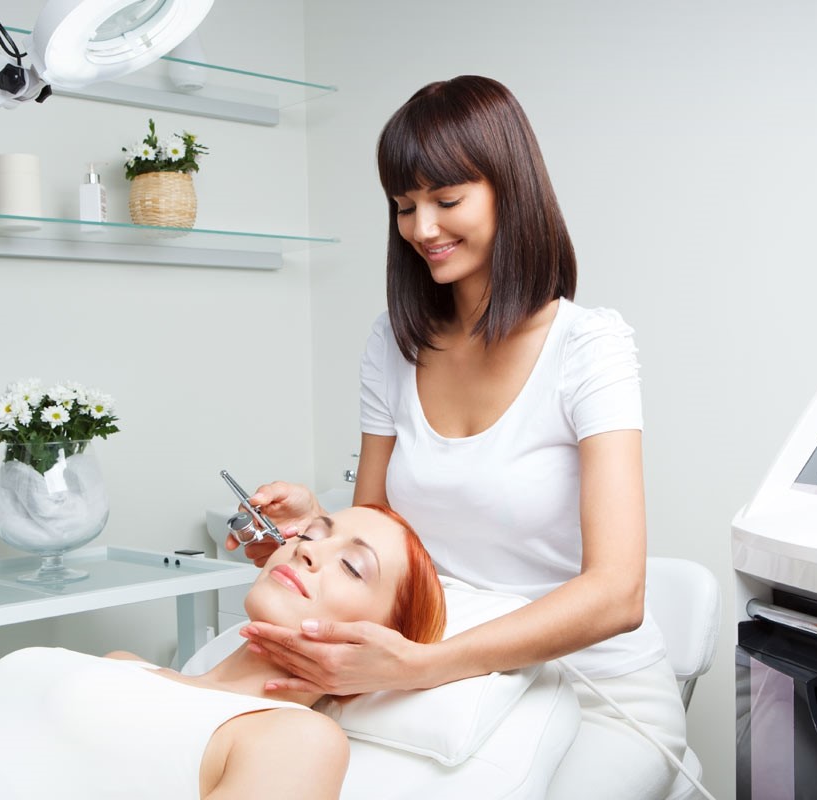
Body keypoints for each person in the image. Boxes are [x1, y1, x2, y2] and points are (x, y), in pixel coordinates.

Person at [228, 75, 688, 799]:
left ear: (511, 191)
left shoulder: (588, 348)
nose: (421, 229)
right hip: (449, 681)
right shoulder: (394, 343)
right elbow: (380, 528)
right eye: (404, 206)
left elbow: (617, 594)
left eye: (446, 200)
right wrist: (316, 527)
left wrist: (421, 667)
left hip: (594, 691)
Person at [0, 505, 446, 800]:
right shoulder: (125, 665)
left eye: (353, 566)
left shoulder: (294, 738)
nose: (307, 549)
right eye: (312, 533)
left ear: (382, 642)